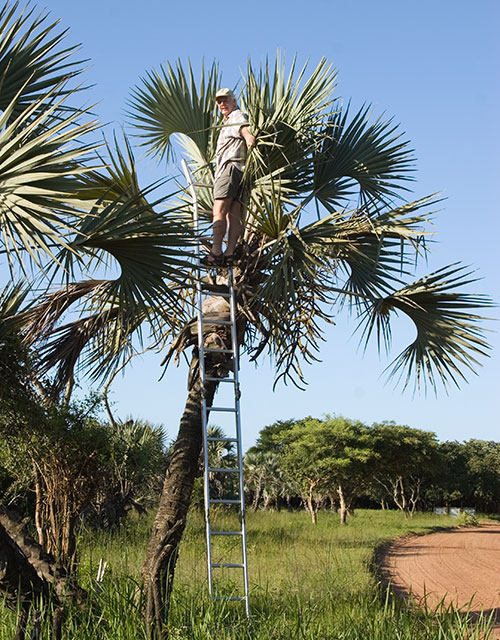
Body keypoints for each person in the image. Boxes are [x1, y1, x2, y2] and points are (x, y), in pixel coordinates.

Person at [202, 88, 255, 267]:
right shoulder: (229, 120)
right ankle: (230, 253)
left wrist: (248, 137)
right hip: (240, 171)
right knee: (234, 215)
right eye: (219, 101)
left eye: (225, 100)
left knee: (219, 211)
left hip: (230, 168)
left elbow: (243, 128)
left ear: (234, 100)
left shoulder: (236, 116)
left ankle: (215, 252)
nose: (222, 104)